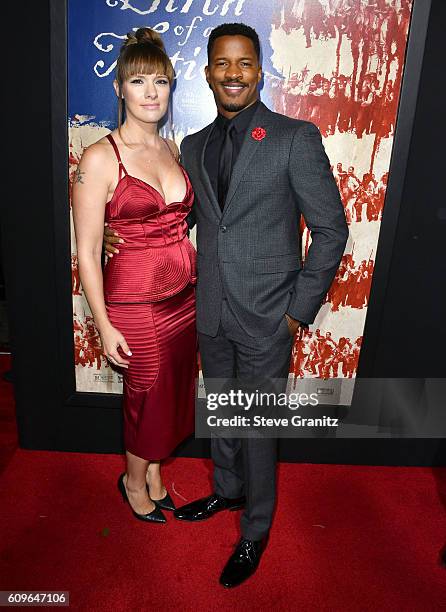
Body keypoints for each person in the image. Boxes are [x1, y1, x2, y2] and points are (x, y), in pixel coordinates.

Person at [105, 22, 348, 587]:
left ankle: (256, 529)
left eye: (244, 64)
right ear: (209, 73)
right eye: (222, 64)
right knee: (226, 413)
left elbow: (332, 230)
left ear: (259, 71)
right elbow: (174, 216)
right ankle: (227, 491)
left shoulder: (295, 137)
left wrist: (297, 310)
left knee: (258, 424)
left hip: (270, 314)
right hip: (209, 310)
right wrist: (115, 233)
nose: (233, 73)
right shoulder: (193, 146)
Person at [73, 28, 197, 525]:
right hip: (135, 305)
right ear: (120, 89)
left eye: (161, 82)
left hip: (185, 299)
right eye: (139, 81)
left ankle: (154, 473)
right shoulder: (100, 157)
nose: (151, 92)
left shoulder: (174, 148)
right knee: (144, 399)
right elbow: (85, 250)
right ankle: (132, 478)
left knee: (173, 393)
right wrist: (103, 325)